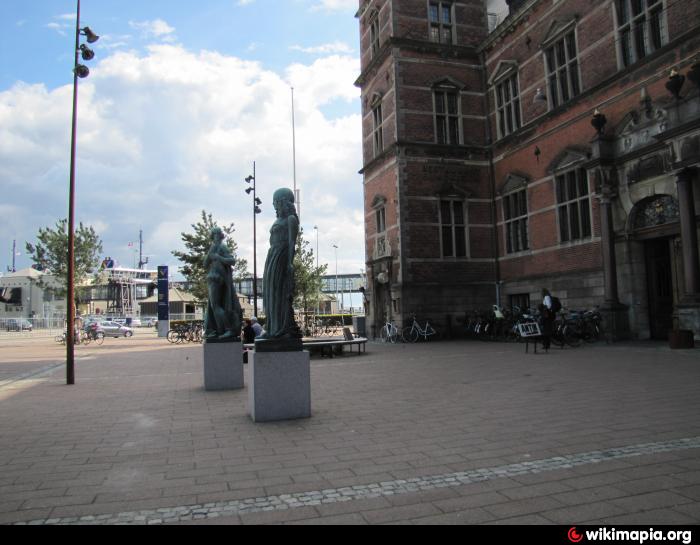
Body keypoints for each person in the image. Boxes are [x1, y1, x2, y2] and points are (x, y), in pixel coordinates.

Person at [260, 188, 302, 340]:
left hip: (282, 257)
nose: (274, 206)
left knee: (280, 293)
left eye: (276, 202)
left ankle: (281, 329)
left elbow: (292, 242)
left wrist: (289, 264)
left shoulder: (291, 219)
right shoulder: (278, 220)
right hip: (272, 256)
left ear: (284, 201)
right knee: (272, 293)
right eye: (274, 203)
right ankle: (272, 327)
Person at [203, 227, 242, 341]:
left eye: (216, 234)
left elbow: (232, 260)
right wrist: (211, 252)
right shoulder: (214, 247)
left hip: (217, 278)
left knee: (216, 306)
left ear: (219, 235)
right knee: (213, 306)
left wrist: (218, 257)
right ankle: (217, 330)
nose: (214, 237)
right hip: (212, 277)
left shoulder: (222, 247)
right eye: (213, 235)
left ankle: (227, 329)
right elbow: (205, 263)